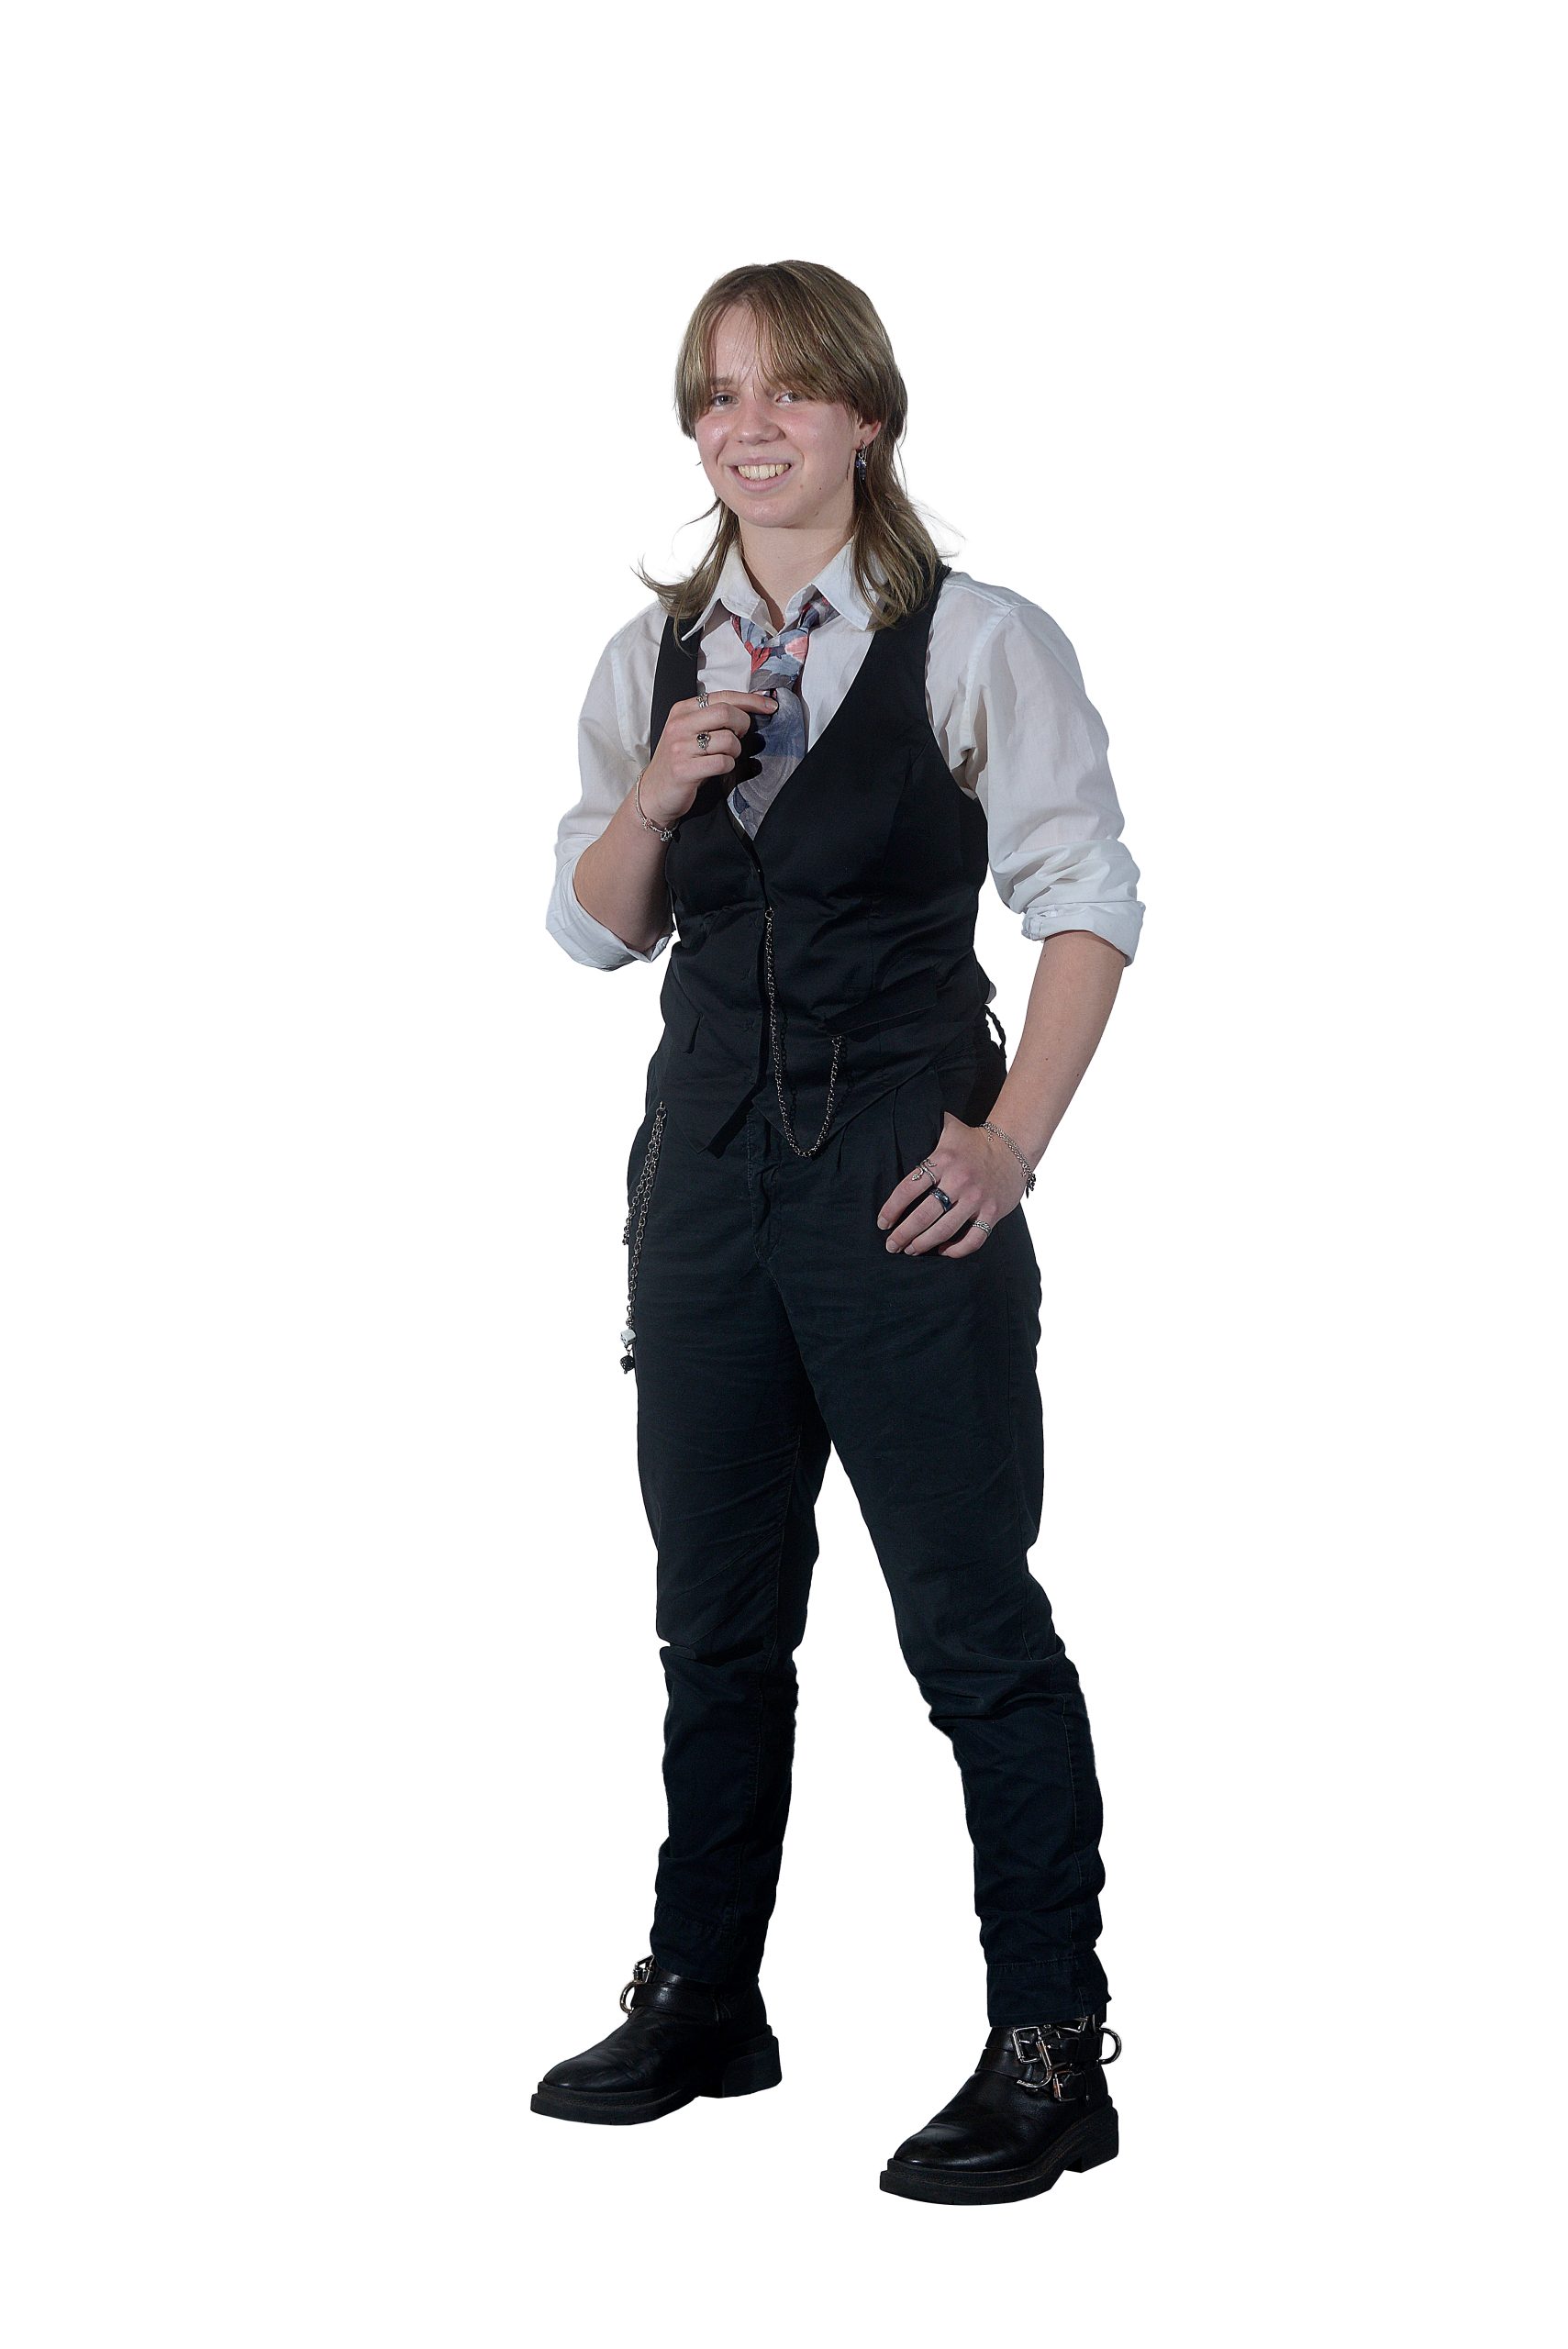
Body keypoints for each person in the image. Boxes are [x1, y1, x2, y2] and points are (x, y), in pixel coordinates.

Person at [533, 261, 1143, 2207]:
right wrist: (656, 793)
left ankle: (1049, 2050)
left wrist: (1010, 1142)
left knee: (970, 1625)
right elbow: (594, 925)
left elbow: (1087, 899)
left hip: (901, 1171)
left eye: (788, 391)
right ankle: (704, 1995)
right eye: (717, 396)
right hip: (701, 1182)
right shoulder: (649, 659)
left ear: (864, 415)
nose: (750, 428)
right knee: (716, 1622)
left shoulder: (976, 637)